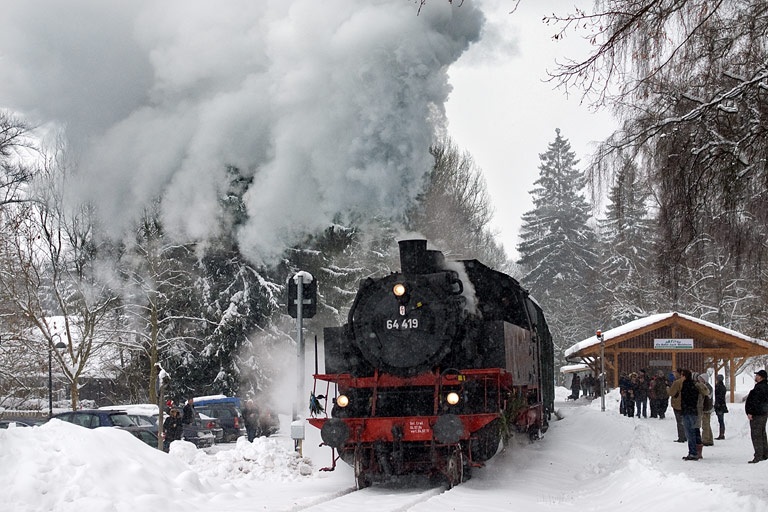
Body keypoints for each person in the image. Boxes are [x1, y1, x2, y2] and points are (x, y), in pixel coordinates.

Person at [680, 369, 709, 460]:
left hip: (688, 411)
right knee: (695, 431)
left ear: (684, 376)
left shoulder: (687, 385)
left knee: (690, 433)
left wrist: (684, 408)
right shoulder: (695, 386)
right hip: (695, 411)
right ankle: (697, 451)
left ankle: (693, 452)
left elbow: (686, 399)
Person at [745, 369, 768, 463]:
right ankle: (765, 453)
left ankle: (758, 455)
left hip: (757, 415)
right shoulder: (765, 387)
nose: (755, 377)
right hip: (763, 414)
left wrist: (750, 412)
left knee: (756, 435)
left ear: (761, 377)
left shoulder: (759, 388)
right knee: (762, 434)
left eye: (757, 375)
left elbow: (755, 402)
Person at [667, 368, 686, 442]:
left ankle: (681, 437)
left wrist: (668, 388)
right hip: (685, 404)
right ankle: (686, 436)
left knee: (679, 422)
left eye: (675, 373)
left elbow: (672, 393)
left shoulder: (677, 382)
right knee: (685, 421)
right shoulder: (686, 381)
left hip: (677, 404)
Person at [698, 373, 714, 446]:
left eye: (701, 379)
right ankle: (709, 438)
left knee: (705, 424)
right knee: (707, 424)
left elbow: (707, 396)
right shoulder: (708, 386)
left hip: (706, 407)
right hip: (706, 407)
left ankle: (705, 439)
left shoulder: (707, 387)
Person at [714, 374, 728, 440]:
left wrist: (717, 405)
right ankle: (722, 433)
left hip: (719, 405)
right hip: (722, 405)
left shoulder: (718, 387)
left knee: (721, 420)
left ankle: (721, 434)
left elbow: (718, 397)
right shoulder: (723, 387)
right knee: (721, 420)